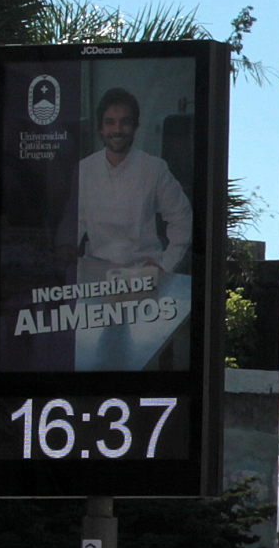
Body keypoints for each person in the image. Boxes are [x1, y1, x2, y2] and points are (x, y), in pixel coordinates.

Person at [74, 87, 193, 371]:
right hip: (96, 277)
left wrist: (165, 263)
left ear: (135, 126)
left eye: (125, 122)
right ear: (101, 128)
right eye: (111, 122)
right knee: (90, 364)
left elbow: (183, 218)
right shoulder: (84, 170)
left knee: (146, 363)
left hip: (143, 277)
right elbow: (74, 224)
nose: (117, 129)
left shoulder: (154, 169)